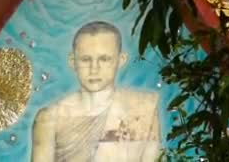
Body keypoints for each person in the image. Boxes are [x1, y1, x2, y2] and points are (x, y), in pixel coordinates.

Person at [31, 21, 161, 162]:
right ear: (72, 61)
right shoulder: (50, 118)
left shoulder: (143, 109)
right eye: (86, 59)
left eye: (104, 59)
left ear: (121, 60)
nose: (94, 69)